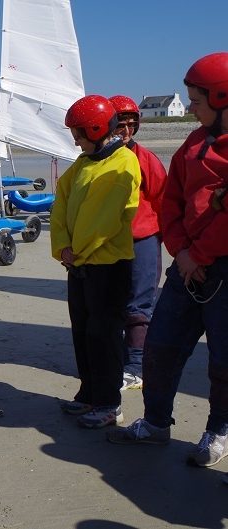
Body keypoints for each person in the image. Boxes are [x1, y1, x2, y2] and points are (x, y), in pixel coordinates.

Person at [107, 53, 228, 474]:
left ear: (222, 97)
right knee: (160, 347)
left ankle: (218, 430)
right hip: (187, 266)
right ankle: (156, 422)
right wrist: (180, 251)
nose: (191, 107)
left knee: (223, 359)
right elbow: (171, 201)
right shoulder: (192, 146)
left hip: (221, 269)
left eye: (197, 100)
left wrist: (201, 253)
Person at [51, 94, 141, 429]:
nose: (74, 138)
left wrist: (78, 252)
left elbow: (104, 219)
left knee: (104, 335)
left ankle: (109, 403)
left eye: (78, 132)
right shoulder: (82, 163)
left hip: (108, 266)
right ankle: (89, 393)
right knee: (83, 333)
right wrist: (62, 247)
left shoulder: (122, 162)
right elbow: (60, 203)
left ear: (95, 128)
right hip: (79, 265)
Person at [108, 95, 167, 391]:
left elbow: (163, 200)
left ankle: (135, 366)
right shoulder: (96, 159)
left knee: (139, 305)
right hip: (108, 243)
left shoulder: (146, 159)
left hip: (143, 239)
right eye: (121, 122)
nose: (126, 129)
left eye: (132, 124)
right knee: (111, 303)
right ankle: (116, 359)